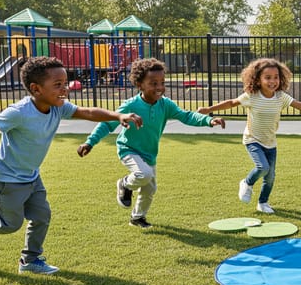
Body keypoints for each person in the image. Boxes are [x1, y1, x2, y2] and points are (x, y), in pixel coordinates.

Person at [0, 57, 142, 274]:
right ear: (36, 89)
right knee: (9, 224)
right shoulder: (19, 112)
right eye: (57, 85)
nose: (64, 89)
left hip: (31, 175)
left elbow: (87, 112)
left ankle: (29, 260)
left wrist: (118, 115)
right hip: (6, 177)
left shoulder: (58, 107)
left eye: (65, 83)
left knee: (41, 215)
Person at [77, 58, 225, 229]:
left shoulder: (165, 104)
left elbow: (187, 116)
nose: (159, 87)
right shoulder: (131, 105)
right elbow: (107, 124)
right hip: (129, 149)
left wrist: (209, 120)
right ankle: (124, 184)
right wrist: (89, 142)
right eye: (153, 83)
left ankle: (137, 217)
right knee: (143, 174)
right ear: (140, 85)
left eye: (162, 82)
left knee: (149, 190)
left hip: (150, 153)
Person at [198, 58, 301, 214]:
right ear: (258, 79)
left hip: (270, 142)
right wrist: (209, 108)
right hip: (252, 139)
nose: (273, 81)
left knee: (270, 177)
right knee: (262, 167)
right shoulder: (252, 95)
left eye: (276, 77)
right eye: (268, 77)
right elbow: (231, 102)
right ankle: (246, 182)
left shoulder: (280, 96)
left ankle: (263, 203)